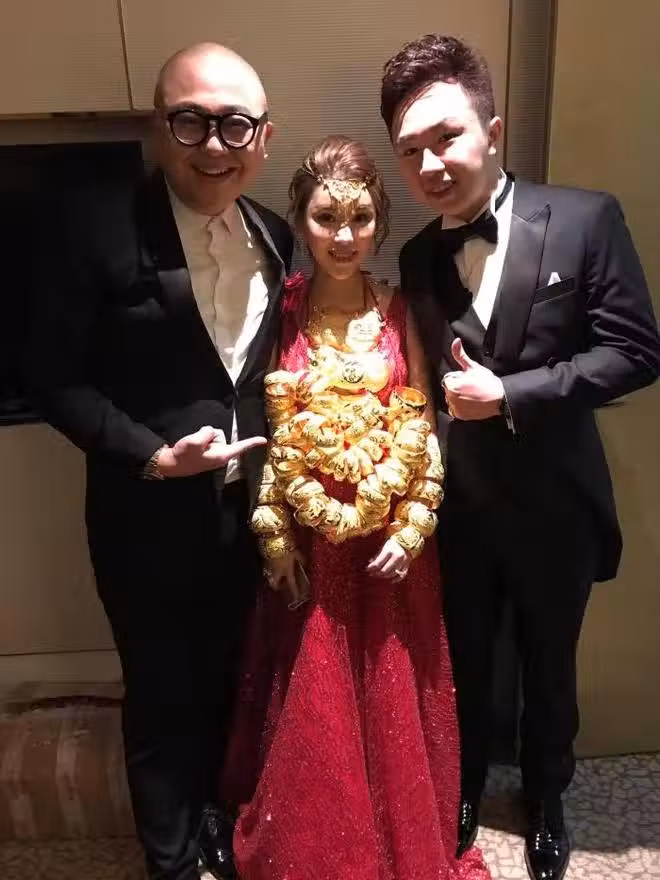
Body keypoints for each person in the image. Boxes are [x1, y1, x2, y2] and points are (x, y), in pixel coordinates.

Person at [380, 33, 660, 880]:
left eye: (448, 137)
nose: (430, 164)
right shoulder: (417, 256)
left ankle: (547, 794)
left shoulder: (585, 218)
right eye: (411, 150)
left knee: (549, 660)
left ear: (493, 130)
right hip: (461, 508)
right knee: (462, 658)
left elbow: (636, 351)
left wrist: (512, 393)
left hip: (556, 503)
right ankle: (463, 787)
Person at [29, 43, 293, 880]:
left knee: (232, 677)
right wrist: (148, 455)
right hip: (142, 515)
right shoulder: (90, 228)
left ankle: (218, 820)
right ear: (157, 126)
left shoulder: (278, 235)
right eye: (190, 121)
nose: (213, 145)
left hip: (251, 514)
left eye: (234, 125)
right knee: (159, 692)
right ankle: (170, 858)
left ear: (264, 137)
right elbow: (52, 379)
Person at [220, 135, 492, 880]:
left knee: (392, 692)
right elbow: (270, 432)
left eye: (361, 218)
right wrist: (276, 539)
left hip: (393, 542)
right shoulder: (281, 312)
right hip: (312, 539)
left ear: (380, 221)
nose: (344, 237)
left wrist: (414, 525)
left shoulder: (402, 309)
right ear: (300, 221)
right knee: (317, 696)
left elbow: (424, 424)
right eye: (326, 218)